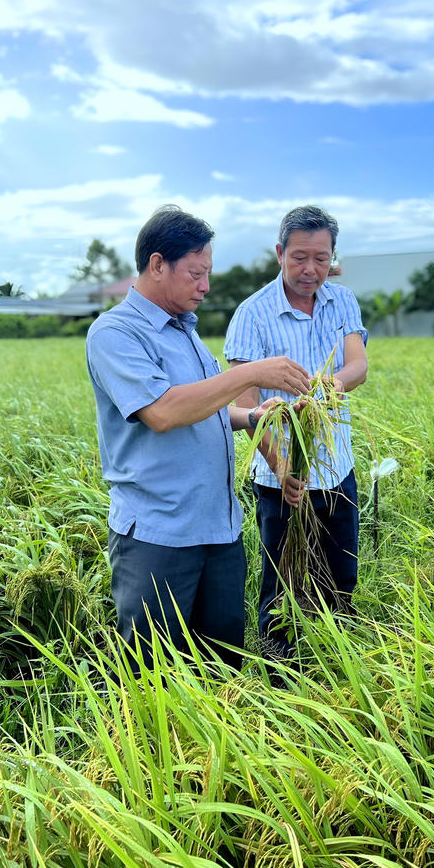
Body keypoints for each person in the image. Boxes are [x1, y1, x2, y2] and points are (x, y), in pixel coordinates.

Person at [86, 205, 310, 672]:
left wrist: (250, 415)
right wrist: (251, 372)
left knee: (222, 664)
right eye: (196, 273)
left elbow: (204, 408)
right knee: (155, 678)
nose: (205, 286)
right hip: (160, 535)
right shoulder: (116, 333)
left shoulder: (187, 332)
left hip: (219, 530)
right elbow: (164, 411)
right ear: (157, 264)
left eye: (208, 273)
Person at [223, 205, 369, 659]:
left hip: (336, 469)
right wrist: (282, 467)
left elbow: (358, 365)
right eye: (299, 257)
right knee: (281, 580)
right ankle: (278, 670)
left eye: (321, 258)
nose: (310, 270)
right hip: (280, 480)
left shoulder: (342, 301)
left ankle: (336, 657)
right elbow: (242, 405)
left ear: (333, 257)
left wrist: (331, 385)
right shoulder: (252, 314)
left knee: (340, 575)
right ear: (280, 252)